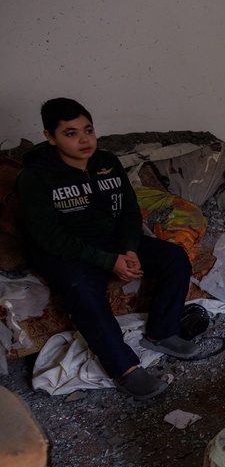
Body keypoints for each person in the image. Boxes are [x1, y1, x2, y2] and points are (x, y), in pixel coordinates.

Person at [15, 98, 198, 399]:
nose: (84, 140)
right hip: (65, 250)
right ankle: (124, 370)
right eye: (70, 133)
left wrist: (129, 251)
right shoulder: (35, 177)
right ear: (50, 137)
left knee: (174, 257)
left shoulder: (106, 162)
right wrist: (108, 261)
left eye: (88, 130)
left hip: (112, 241)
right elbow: (49, 238)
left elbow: (128, 210)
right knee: (81, 288)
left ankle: (162, 333)